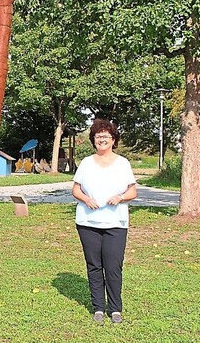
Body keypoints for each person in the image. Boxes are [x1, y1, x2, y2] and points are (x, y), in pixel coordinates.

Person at [71, 118, 137, 324]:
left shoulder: (123, 163)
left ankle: (115, 309)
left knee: (113, 266)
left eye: (106, 136)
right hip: (87, 223)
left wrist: (120, 197)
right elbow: (75, 189)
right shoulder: (86, 163)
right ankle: (98, 307)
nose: (102, 139)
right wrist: (86, 199)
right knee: (94, 266)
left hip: (115, 224)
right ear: (93, 139)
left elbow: (133, 191)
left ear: (113, 139)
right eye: (98, 136)